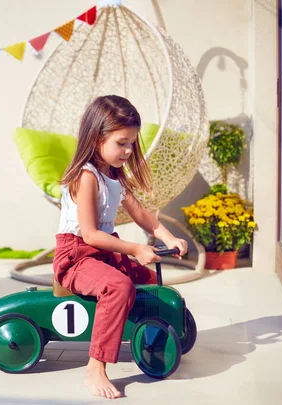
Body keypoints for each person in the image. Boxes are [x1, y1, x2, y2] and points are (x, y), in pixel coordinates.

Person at [53, 95, 188, 399]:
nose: (128, 151)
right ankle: (96, 366)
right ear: (96, 137)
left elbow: (141, 214)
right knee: (118, 286)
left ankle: (152, 337)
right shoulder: (86, 177)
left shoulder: (114, 175)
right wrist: (134, 249)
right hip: (75, 256)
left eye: (131, 144)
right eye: (121, 143)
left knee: (151, 283)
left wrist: (168, 237)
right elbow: (89, 235)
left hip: (102, 252)